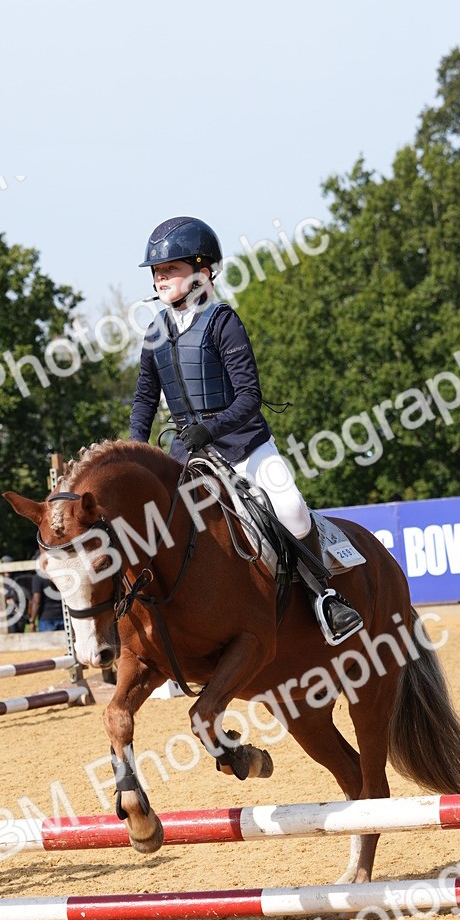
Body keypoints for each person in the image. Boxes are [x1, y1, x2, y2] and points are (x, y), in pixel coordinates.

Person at [130, 215, 363, 645]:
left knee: (291, 509)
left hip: (243, 445)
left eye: (171, 270)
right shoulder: (154, 333)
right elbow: (145, 400)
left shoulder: (223, 322)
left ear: (202, 273)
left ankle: (327, 598)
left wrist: (211, 428)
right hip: (186, 454)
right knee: (154, 523)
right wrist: (133, 451)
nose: (161, 278)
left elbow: (248, 397)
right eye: (158, 272)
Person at [29, 563, 65, 632]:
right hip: (63, 617)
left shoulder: (38, 578)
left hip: (46, 619)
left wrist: (32, 621)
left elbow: (36, 601)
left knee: (47, 642)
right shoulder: (59, 576)